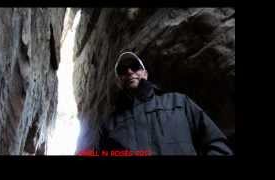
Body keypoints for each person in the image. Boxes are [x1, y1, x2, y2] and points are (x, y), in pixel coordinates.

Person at [96, 51, 233, 155]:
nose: (129, 71)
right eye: (122, 70)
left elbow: (214, 141)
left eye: (134, 66)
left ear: (145, 73)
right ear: (118, 81)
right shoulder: (108, 126)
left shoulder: (179, 102)